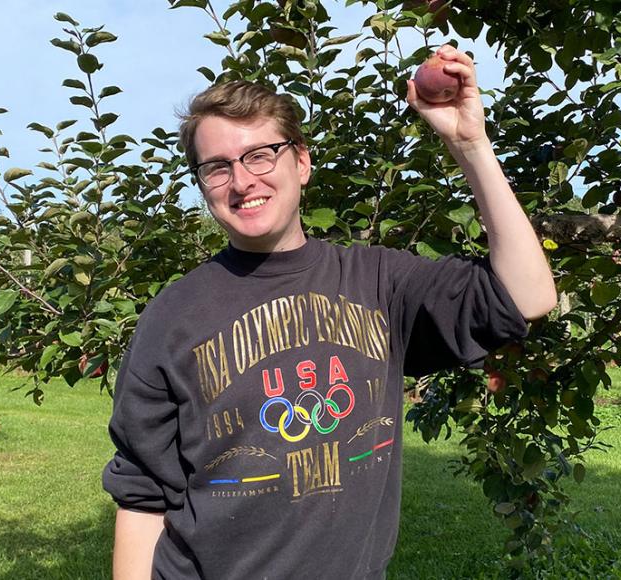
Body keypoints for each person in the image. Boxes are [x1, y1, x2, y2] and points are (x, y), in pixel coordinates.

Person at [102, 44, 557, 579]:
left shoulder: (380, 282)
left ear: (301, 162)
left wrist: (469, 143)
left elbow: (526, 297)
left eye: (259, 154)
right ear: (202, 185)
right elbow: (142, 496)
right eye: (217, 167)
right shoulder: (173, 316)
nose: (242, 181)